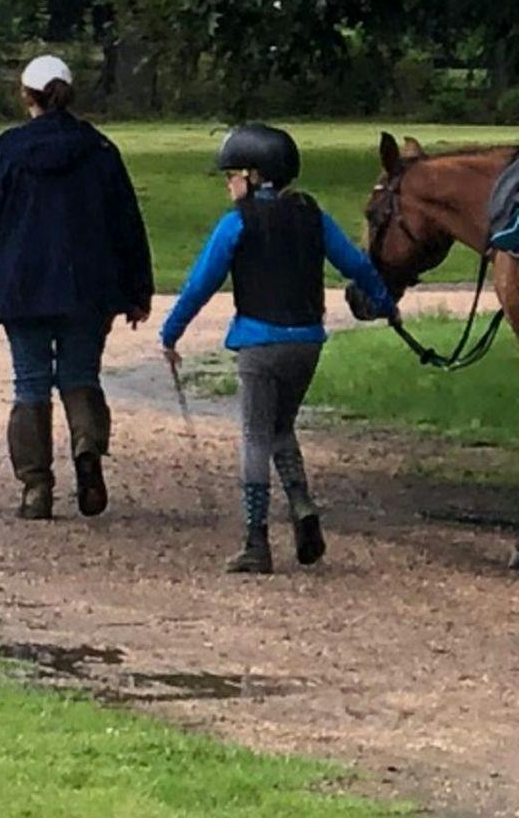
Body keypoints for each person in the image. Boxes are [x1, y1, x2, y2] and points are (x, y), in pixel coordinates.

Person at [158, 123, 394, 574]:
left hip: (258, 343)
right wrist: (385, 304)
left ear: (254, 174)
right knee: (281, 426)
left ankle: (256, 539)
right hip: (306, 342)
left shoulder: (237, 224)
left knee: (254, 435)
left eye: (233, 174)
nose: (229, 184)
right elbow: (355, 265)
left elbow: (200, 284)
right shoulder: (313, 216)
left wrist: (171, 333)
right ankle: (302, 506)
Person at [0, 54, 156, 520]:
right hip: (90, 286)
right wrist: (138, 289)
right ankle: (86, 447)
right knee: (81, 375)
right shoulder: (100, 150)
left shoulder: (8, 154)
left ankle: (36, 488)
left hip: (22, 286)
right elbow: (127, 224)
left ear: (27, 96)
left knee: (30, 383)